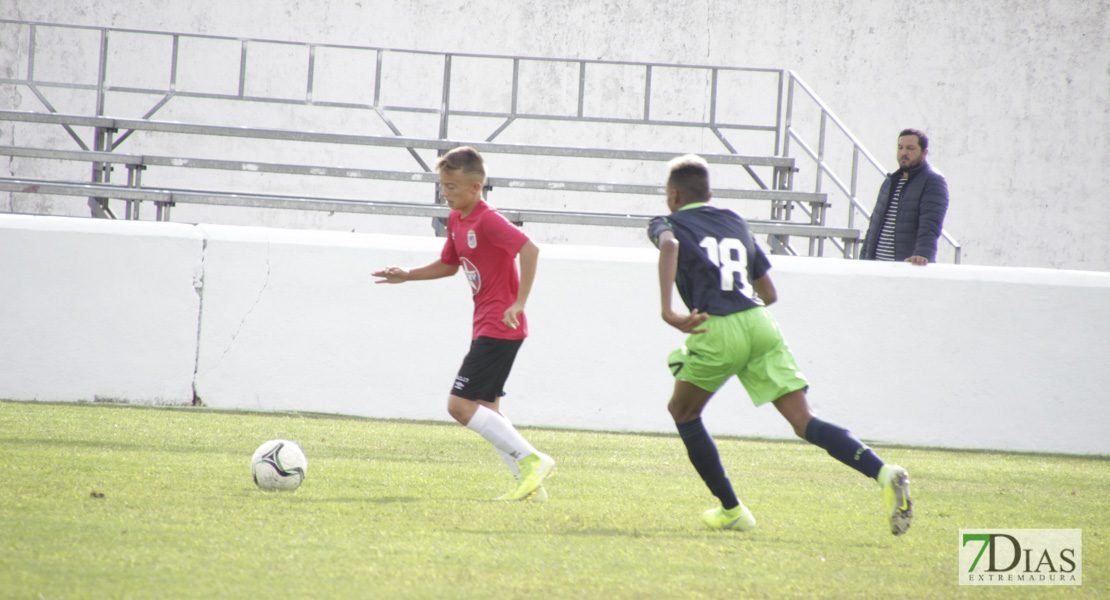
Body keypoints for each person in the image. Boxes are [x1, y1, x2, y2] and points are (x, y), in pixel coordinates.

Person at [649, 154, 912, 535]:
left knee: (683, 412)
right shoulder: (735, 221)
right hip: (760, 323)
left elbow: (669, 246)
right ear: (709, 192)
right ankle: (884, 472)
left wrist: (668, 311)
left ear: (673, 195)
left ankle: (733, 511)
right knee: (804, 421)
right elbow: (768, 292)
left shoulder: (668, 222)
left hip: (715, 326)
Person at [372, 146, 554, 502]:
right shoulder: (456, 221)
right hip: (486, 325)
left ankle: (534, 460)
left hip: (502, 325)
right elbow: (450, 264)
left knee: (459, 405)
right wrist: (408, 275)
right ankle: (531, 488)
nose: (445, 192)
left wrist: (519, 302)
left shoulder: (487, 218)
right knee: (488, 412)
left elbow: (529, 249)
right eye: (442, 185)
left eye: (452, 186)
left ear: (476, 187)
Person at [860, 128, 949, 265]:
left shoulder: (932, 180)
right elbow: (873, 225)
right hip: (876, 268)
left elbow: (930, 224)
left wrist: (922, 253)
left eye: (910, 148)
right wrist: (863, 259)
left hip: (905, 268)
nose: (903, 153)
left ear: (924, 152)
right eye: (900, 148)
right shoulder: (890, 181)